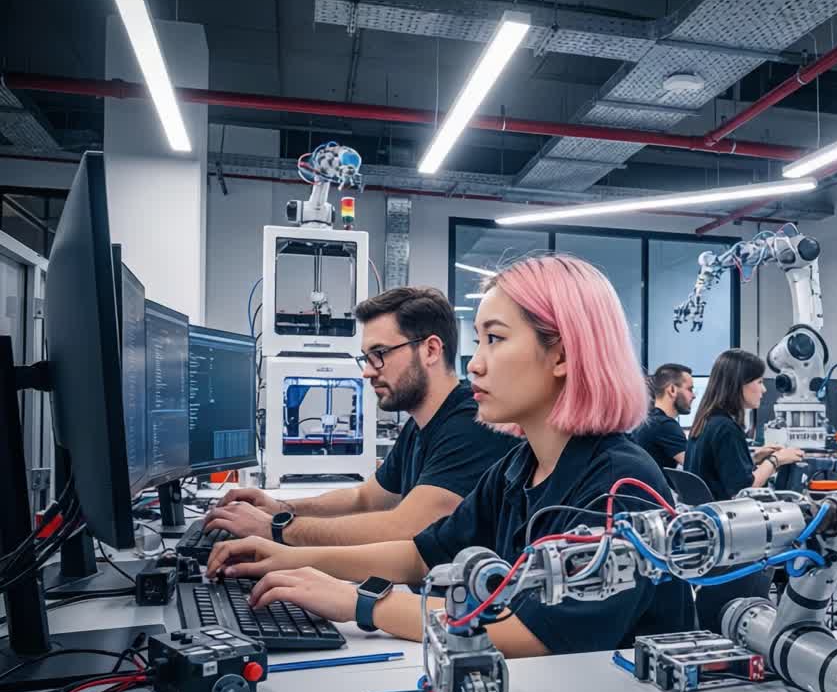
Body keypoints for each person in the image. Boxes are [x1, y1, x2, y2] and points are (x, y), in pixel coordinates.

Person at [206, 255, 693, 657]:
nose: (476, 362)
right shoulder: (518, 468)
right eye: (479, 339)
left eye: (495, 339)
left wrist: (361, 604)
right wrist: (289, 557)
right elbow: (421, 553)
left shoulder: (616, 485)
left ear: (562, 356)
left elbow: (531, 635)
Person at [203, 287, 518, 546]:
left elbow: (404, 527)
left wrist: (277, 529)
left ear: (431, 351)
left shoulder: (471, 425)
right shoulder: (421, 425)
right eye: (365, 358)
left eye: (379, 354)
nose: (367, 371)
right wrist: (282, 508)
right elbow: (364, 497)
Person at [684, 349, 803, 502]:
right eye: (759, 382)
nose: (764, 389)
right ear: (739, 384)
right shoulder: (726, 428)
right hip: (727, 518)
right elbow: (744, 491)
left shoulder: (708, 420)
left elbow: (717, 471)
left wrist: (752, 459)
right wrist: (776, 460)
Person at [632, 363, 694, 469]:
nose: (694, 396)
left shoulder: (648, 421)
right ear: (672, 390)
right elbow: (694, 465)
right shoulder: (665, 426)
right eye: (690, 389)